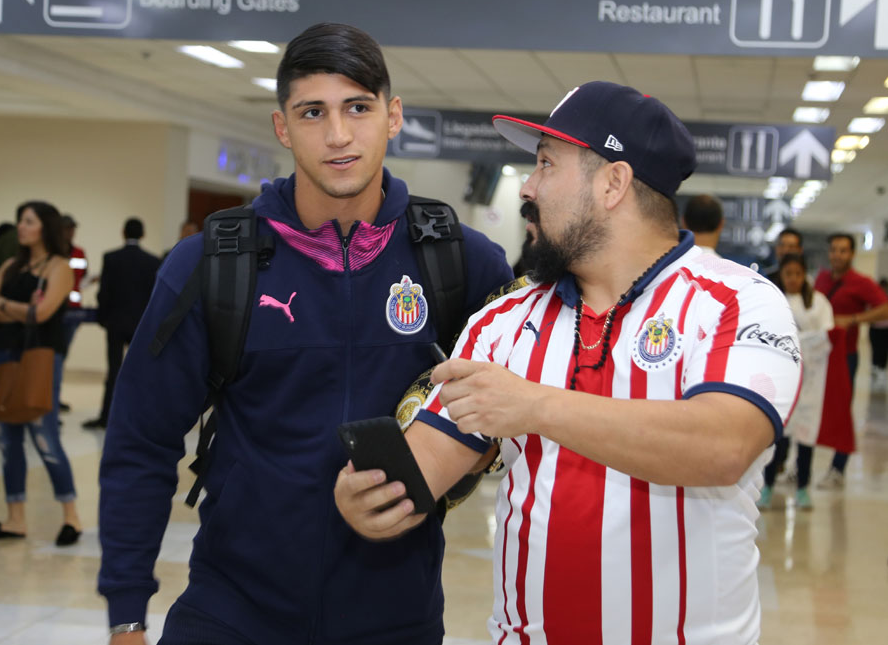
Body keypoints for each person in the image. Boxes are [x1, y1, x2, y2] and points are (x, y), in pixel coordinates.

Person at [335, 81, 802, 644]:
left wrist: (534, 405)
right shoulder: (501, 322)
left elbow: (724, 447)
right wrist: (374, 498)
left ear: (613, 183)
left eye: (545, 164)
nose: (528, 187)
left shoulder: (736, 301)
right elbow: (423, 470)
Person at [96, 22, 512, 645]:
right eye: (313, 112)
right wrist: (127, 613)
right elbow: (141, 442)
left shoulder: (461, 261)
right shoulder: (211, 264)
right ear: (283, 127)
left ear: (392, 116)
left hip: (395, 614)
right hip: (230, 613)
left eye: (359, 108)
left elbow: (504, 420)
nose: (339, 135)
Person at [0, 201, 83, 546]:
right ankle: (15, 519)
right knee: (7, 439)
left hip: (40, 358)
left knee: (45, 437)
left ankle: (71, 515)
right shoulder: (12, 265)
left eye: (28, 221)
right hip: (4, 355)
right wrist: (17, 309)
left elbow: (41, 314)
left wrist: (3, 306)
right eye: (20, 221)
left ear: (45, 226)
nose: (21, 228)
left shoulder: (59, 266)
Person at [757, 254, 832, 510]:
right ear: (782, 275)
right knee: (778, 438)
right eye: (788, 274)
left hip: (811, 382)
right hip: (782, 380)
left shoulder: (818, 303)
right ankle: (767, 486)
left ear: (805, 275)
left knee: (806, 439)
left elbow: (826, 335)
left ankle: (802, 489)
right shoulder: (773, 300)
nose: (793, 279)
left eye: (797, 274)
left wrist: (804, 340)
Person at [814, 232, 888, 488]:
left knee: (842, 409)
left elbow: (884, 307)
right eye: (834, 250)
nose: (837, 255)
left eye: (843, 250)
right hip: (818, 354)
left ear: (852, 253)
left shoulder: (861, 282)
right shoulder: (821, 278)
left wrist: (855, 319)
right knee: (810, 407)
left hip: (846, 356)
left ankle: (838, 468)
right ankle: (799, 466)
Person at [82, 218, 160, 430]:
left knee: (113, 371)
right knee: (140, 372)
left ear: (123, 232)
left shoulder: (111, 257)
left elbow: (104, 292)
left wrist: (103, 318)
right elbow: (154, 297)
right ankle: (139, 418)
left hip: (115, 323)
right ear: (142, 234)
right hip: (140, 326)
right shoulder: (152, 261)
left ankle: (106, 417)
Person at [58, 214, 88, 411]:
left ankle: (54, 398)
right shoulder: (53, 252)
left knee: (61, 357)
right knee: (54, 357)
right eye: (67, 228)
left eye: (72, 229)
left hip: (73, 313)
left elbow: (82, 277)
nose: (70, 232)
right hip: (54, 312)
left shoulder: (79, 253)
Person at [869, 278, 888, 392]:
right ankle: (876, 369)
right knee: (876, 350)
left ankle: (881, 371)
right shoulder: (874, 300)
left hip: (885, 329)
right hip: (875, 329)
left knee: (883, 351)